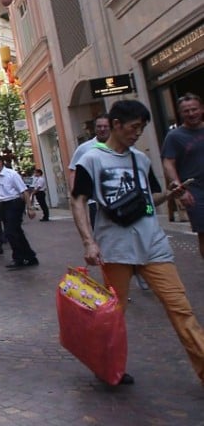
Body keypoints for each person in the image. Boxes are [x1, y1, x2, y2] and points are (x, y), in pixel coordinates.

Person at [70, 99, 204, 387]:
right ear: (116, 125)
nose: (136, 133)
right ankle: (108, 368)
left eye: (141, 129)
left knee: (181, 308)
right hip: (115, 248)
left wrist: (169, 194)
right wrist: (88, 242)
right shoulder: (91, 159)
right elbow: (78, 200)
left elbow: (149, 198)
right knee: (113, 315)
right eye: (133, 127)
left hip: (153, 245)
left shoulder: (140, 160)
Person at [163, 93, 204, 257]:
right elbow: (168, 162)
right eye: (186, 111)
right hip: (196, 192)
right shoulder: (174, 136)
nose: (191, 113)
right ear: (180, 113)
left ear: (201, 109)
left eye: (194, 109)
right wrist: (180, 188)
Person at [0, 152, 38, 269]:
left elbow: (24, 191)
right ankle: (30, 256)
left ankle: (18, 258)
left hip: (14, 204)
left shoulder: (12, 174)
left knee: (10, 232)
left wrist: (30, 208)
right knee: (16, 232)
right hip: (2, 205)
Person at [69, 116, 111, 228]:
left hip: (115, 196)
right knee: (99, 229)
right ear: (94, 128)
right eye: (99, 126)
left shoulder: (120, 146)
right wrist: (75, 195)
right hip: (94, 200)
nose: (102, 129)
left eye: (105, 126)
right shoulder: (84, 148)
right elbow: (73, 170)